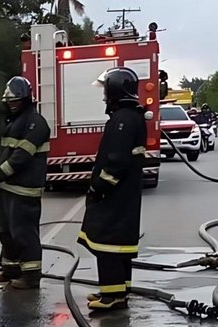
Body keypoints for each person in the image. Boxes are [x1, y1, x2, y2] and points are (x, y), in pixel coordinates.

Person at [79, 67, 147, 310]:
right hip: (125, 194)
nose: (104, 97)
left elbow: (116, 161)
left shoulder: (122, 120)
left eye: (106, 91)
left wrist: (98, 187)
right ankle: (118, 290)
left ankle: (112, 297)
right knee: (120, 247)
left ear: (115, 90)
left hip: (115, 195)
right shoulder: (131, 116)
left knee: (108, 244)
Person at [0, 76, 51, 289]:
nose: (12, 104)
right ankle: (10, 270)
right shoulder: (13, 122)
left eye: (16, 101)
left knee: (24, 234)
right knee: (6, 232)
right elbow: (5, 151)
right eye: (9, 101)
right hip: (7, 189)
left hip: (24, 191)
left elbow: (21, 157)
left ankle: (31, 276)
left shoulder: (36, 124)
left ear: (26, 99)